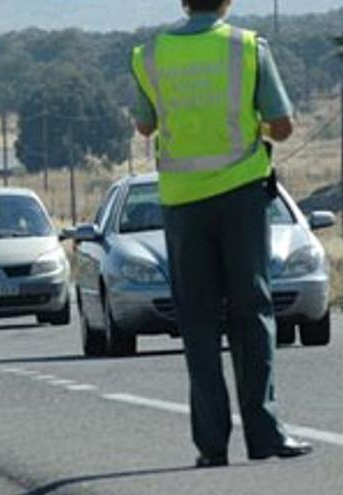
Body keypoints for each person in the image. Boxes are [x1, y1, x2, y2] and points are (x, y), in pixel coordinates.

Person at [131, 0, 313, 468]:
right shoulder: (248, 47)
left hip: (181, 201)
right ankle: (264, 432)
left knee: (197, 321)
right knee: (252, 311)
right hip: (240, 194)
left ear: (182, 1)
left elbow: (145, 125)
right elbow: (283, 126)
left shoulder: (149, 54)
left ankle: (211, 446)